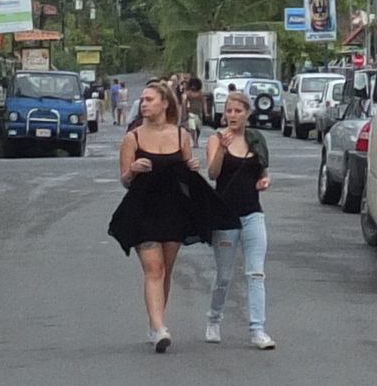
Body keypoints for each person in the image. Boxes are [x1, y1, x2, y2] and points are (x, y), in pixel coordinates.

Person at [105, 78, 209, 350]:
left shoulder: (180, 135)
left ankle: (156, 322)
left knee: (166, 270)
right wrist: (134, 169)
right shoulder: (133, 137)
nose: (144, 103)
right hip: (143, 210)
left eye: (150, 99)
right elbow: (125, 180)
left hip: (174, 210)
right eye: (143, 99)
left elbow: (187, 175)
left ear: (165, 104)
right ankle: (159, 327)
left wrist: (192, 167)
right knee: (154, 269)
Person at [196, 81, 272, 349]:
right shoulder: (217, 138)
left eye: (238, 111)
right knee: (224, 276)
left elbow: (262, 172)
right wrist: (223, 150)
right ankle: (214, 319)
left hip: (253, 214)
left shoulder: (256, 140)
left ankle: (257, 329)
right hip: (226, 217)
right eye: (229, 111)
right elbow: (213, 173)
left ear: (247, 113)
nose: (233, 115)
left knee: (256, 273)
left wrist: (265, 181)